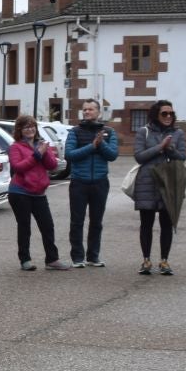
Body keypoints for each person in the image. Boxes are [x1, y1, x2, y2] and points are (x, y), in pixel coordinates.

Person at [131, 101, 186, 276]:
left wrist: (169, 148)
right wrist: (159, 147)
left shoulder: (178, 133)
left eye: (171, 113)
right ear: (156, 114)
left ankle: (164, 261)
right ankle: (146, 260)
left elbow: (182, 157)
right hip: (147, 182)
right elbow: (139, 156)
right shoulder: (144, 131)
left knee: (166, 224)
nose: (168, 116)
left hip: (169, 182)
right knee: (146, 224)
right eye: (164, 113)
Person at [6, 113, 68, 271]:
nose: (30, 129)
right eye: (26, 127)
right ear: (19, 129)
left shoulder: (41, 144)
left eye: (32, 126)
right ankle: (25, 260)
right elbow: (18, 167)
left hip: (39, 192)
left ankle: (52, 260)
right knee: (24, 226)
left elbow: (52, 165)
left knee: (47, 225)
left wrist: (44, 151)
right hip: (20, 192)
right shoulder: (15, 147)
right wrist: (36, 154)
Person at [64, 99, 120, 267]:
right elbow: (70, 155)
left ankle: (93, 256)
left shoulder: (109, 132)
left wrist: (100, 143)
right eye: (85, 109)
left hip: (100, 182)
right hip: (79, 182)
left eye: (91, 109)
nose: (87, 112)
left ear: (98, 112)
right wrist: (92, 146)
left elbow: (112, 155)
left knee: (96, 222)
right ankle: (77, 258)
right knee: (77, 221)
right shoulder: (75, 131)